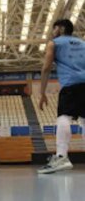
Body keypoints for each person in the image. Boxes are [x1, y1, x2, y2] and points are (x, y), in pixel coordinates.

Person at [37, 19, 85, 174]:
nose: (53, 31)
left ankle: (61, 156)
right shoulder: (82, 43)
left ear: (62, 28)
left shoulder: (55, 43)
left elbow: (46, 68)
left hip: (71, 85)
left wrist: (42, 92)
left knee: (63, 117)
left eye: (54, 28)